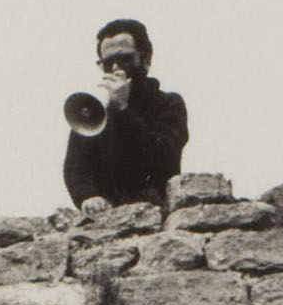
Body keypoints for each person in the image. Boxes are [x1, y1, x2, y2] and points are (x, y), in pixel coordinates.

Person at [62, 18, 190, 209]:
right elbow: (76, 166)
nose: (115, 69)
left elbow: (164, 156)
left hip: (157, 212)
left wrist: (123, 111)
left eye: (124, 59)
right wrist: (88, 196)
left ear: (145, 60)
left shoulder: (169, 104)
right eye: (107, 63)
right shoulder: (96, 110)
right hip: (110, 219)